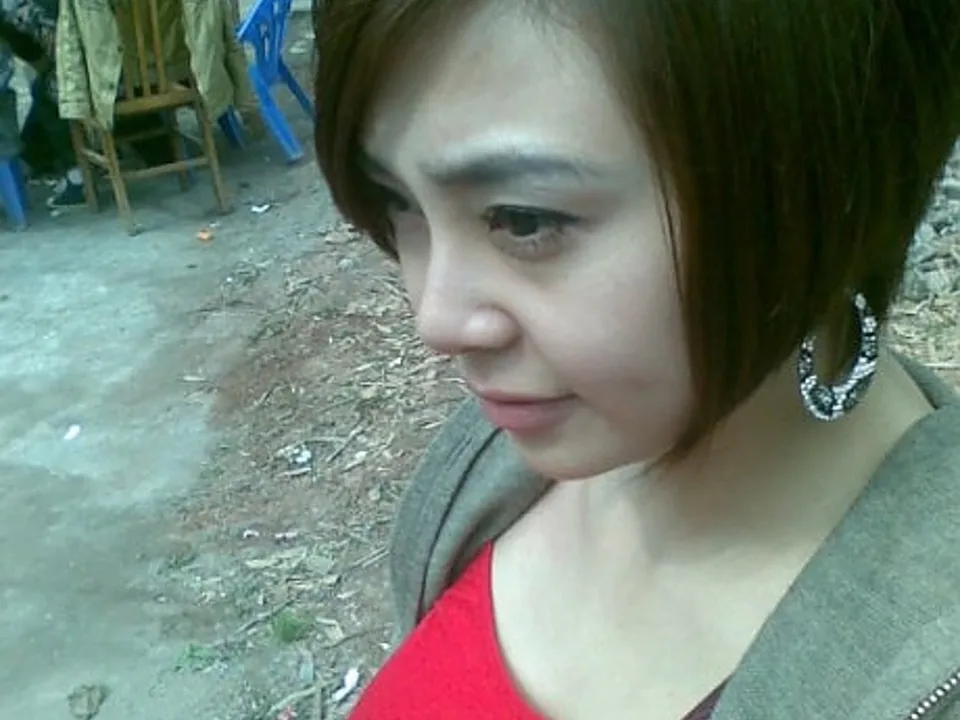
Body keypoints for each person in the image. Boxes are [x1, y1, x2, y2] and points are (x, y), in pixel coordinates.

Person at [313, 2, 960, 718]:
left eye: (524, 220)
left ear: (819, 192)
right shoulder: (497, 470)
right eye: (396, 200)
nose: (435, 318)